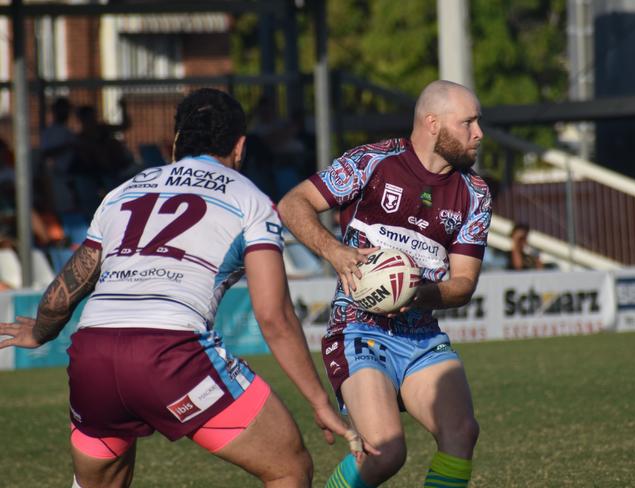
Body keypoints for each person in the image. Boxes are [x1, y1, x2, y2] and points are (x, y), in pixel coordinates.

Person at [0, 88, 376, 488]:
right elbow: (274, 316)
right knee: (289, 468)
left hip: (92, 353)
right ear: (240, 146)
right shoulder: (249, 199)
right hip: (171, 356)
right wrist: (319, 402)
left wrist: (40, 330)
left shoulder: (123, 192)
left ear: (175, 141)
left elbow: (76, 278)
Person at [278, 80, 492, 487]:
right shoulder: (373, 161)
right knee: (386, 451)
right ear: (433, 123)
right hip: (359, 330)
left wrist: (417, 294)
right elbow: (293, 204)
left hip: (420, 335)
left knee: (462, 433)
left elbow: (463, 283)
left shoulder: (475, 193)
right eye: (468, 122)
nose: (478, 132)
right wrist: (335, 251)